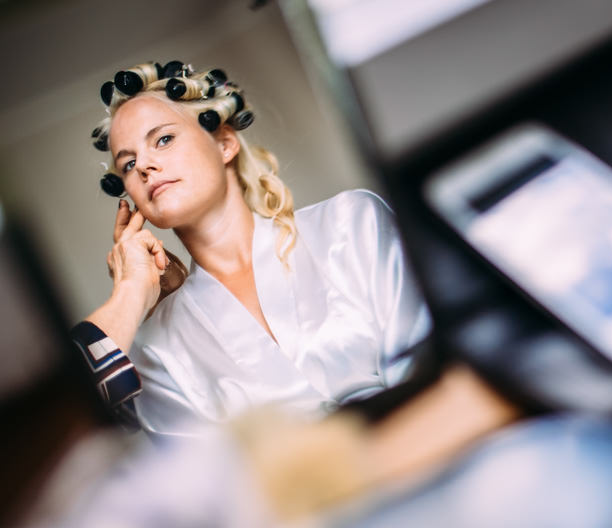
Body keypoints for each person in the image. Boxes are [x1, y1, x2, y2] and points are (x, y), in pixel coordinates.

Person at [73, 61, 431, 437]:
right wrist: (131, 291)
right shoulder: (157, 352)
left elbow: (430, 364)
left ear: (224, 142)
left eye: (163, 139)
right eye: (128, 164)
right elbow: (74, 418)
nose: (144, 165)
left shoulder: (350, 224)